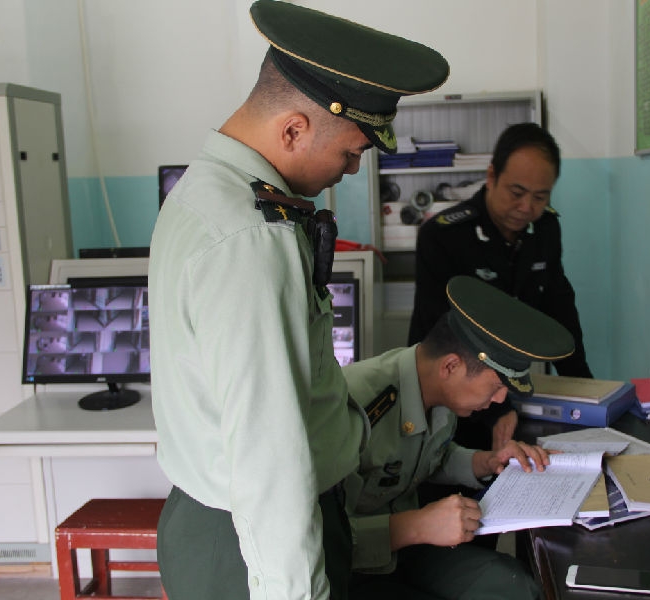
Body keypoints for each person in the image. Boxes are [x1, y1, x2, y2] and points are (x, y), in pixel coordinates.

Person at [148, 2, 449, 599]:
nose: (350, 170)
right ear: (292, 130)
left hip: (222, 523)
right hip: (252, 545)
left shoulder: (204, 192)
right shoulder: (252, 237)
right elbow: (269, 452)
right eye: (351, 152)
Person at [342, 276, 575, 599]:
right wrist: (418, 525)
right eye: (496, 386)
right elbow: (319, 536)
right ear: (451, 366)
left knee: (514, 587)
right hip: (346, 569)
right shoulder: (354, 404)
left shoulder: (440, 393)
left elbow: (429, 456)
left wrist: (486, 461)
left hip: (406, 550)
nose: (499, 400)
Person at [407, 122, 592, 454]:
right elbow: (439, 334)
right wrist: (495, 409)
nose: (527, 208)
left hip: (508, 394)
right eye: (516, 193)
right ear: (491, 176)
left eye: (540, 197)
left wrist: (586, 390)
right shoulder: (445, 237)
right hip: (451, 402)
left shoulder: (545, 231)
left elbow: (561, 311)